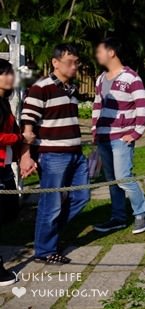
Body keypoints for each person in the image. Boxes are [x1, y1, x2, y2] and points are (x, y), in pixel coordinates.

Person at [20, 44, 89, 265]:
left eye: (76, 62)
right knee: (52, 203)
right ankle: (45, 250)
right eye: (70, 62)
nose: (74, 66)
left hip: (76, 153)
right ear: (55, 62)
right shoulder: (41, 88)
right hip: (53, 155)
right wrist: (26, 155)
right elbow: (28, 124)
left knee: (82, 196)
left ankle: (49, 237)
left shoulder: (71, 88)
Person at [91, 38, 145, 234]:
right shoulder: (100, 79)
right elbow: (97, 105)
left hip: (122, 137)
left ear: (111, 52)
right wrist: (95, 131)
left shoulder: (132, 78)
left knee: (124, 178)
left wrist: (136, 133)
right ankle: (118, 218)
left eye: (99, 51)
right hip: (104, 137)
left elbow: (142, 107)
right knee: (111, 180)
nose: (97, 55)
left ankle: (141, 214)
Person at [0, 59, 29, 285]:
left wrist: (24, 151)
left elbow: (15, 130)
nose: (11, 77)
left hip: (5, 168)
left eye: (11, 73)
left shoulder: (4, 103)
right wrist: (19, 138)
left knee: (10, 212)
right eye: (6, 74)